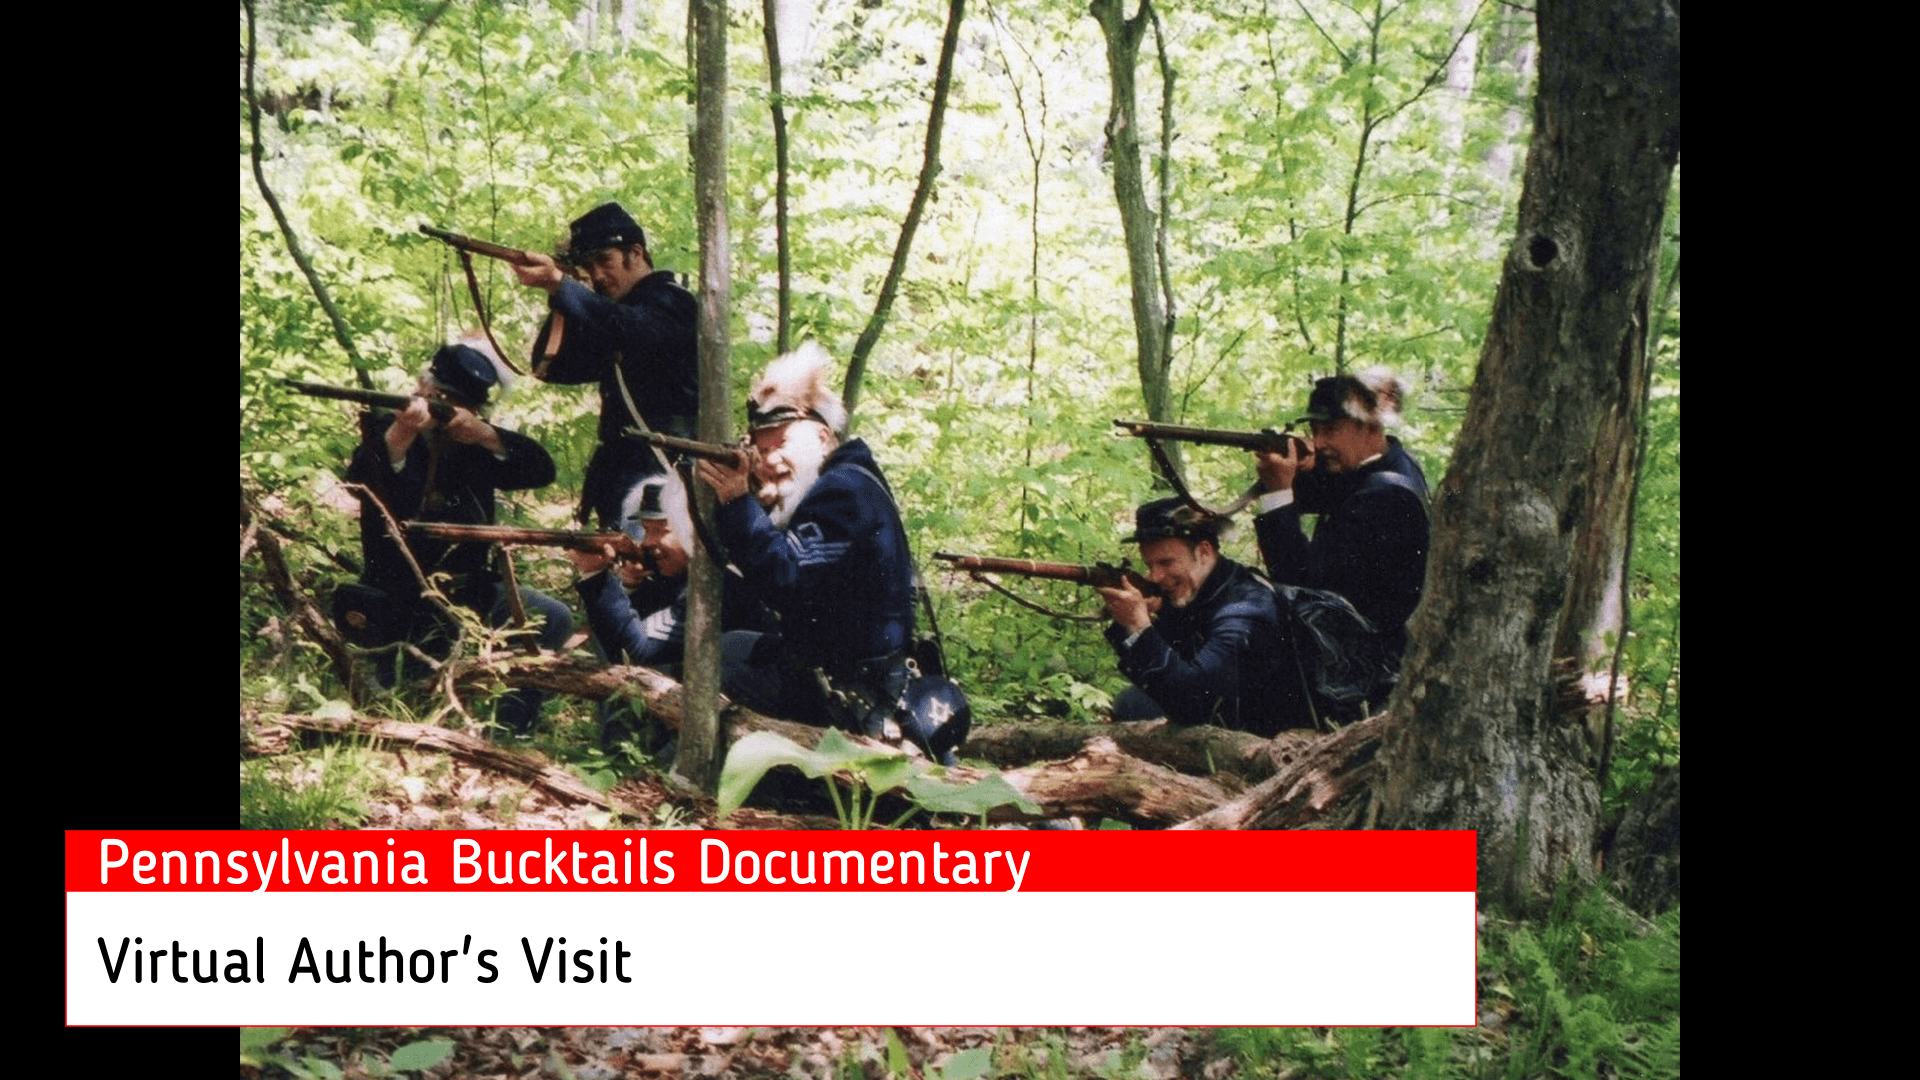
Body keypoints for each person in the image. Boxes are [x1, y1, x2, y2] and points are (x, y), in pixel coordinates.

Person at [692, 343, 967, 763]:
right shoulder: (842, 482)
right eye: (762, 449)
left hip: (859, 692)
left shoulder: (842, 491)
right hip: (841, 671)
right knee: (731, 647)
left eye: (781, 441)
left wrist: (737, 504)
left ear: (822, 436)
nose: (770, 459)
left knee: (722, 665)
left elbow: (787, 579)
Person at [336, 343, 574, 734]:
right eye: (441, 399)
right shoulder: (388, 431)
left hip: (471, 592)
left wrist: (485, 434)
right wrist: (404, 431)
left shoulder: (471, 445)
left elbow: (540, 468)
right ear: (423, 389)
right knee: (406, 704)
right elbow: (359, 481)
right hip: (404, 598)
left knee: (552, 618)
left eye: (456, 404)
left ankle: (509, 731)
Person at [510, 202, 699, 528]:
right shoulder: (609, 315)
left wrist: (563, 286)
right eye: (587, 265)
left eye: (604, 260)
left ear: (636, 253)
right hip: (618, 473)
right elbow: (554, 367)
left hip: (665, 467)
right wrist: (563, 295)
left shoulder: (673, 300)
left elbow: (635, 329)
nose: (597, 274)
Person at [1251, 369, 1431, 666]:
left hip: (1361, 664)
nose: (1319, 443)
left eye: (1331, 429)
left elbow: (1301, 585)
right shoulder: (1390, 463)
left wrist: (1278, 492)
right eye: (1316, 430)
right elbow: (1335, 490)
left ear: (1371, 425)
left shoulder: (1383, 496)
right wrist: (1300, 470)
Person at [1094, 498, 1301, 736]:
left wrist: (1139, 625)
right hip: (1225, 727)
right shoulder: (1198, 593)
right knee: (1130, 702)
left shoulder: (1245, 608)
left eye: (1166, 562)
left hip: (1264, 740)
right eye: (1149, 564)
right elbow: (1162, 676)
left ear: (1204, 551)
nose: (1154, 576)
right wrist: (1137, 622)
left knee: (1134, 705)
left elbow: (1196, 701)